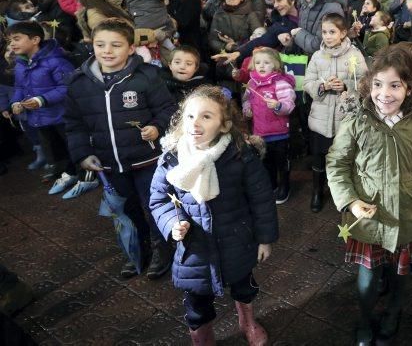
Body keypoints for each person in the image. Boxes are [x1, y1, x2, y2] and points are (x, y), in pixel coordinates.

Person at [326, 47, 412, 346]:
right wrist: (351, 201)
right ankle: (365, 320)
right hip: (369, 215)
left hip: (408, 212)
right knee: (367, 279)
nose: (385, 94)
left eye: (395, 85)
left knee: (400, 275)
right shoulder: (357, 119)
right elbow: (337, 162)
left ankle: (394, 313)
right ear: (369, 84)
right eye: (379, 84)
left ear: (408, 88)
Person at [149, 85, 278, 346]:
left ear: (224, 125)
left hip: (237, 241)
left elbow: (262, 199)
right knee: (197, 303)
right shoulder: (172, 159)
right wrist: (173, 223)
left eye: (206, 116)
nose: (195, 123)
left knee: (244, 286)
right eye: (190, 116)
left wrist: (265, 238)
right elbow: (159, 200)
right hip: (194, 249)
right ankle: (202, 339)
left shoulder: (241, 155)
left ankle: (247, 322)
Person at [64, 18, 177, 279]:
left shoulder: (147, 76)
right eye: (100, 44)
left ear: (130, 48)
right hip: (108, 162)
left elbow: (168, 109)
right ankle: (138, 249)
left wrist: (157, 127)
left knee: (154, 206)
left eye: (116, 45)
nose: (107, 50)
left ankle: (163, 249)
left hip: (147, 159)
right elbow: (74, 123)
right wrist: (82, 154)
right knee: (125, 210)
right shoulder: (79, 82)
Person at [6, 21, 86, 197]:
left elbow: (68, 87)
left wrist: (42, 100)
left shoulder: (56, 61)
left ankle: (85, 177)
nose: (11, 44)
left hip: (62, 115)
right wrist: (15, 102)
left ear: (35, 39)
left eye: (17, 39)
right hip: (40, 117)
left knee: (73, 147)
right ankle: (67, 173)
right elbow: (19, 87)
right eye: (10, 40)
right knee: (54, 147)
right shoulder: (21, 63)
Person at [304, 13, 367, 212]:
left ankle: (343, 192)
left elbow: (364, 81)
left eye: (332, 32)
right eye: (324, 32)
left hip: (344, 118)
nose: (328, 36)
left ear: (342, 33)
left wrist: (346, 85)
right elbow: (307, 83)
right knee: (319, 157)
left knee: (343, 156)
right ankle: (317, 191)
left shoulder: (354, 54)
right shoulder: (317, 56)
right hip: (320, 119)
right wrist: (322, 86)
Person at [241, 48, 295, 204]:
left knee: (281, 162)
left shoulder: (281, 83)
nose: (261, 66)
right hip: (260, 133)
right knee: (266, 162)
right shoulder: (251, 83)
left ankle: (285, 185)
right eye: (258, 63)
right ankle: (271, 185)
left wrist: (278, 105)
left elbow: (289, 105)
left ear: (275, 65)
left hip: (279, 133)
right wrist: (247, 110)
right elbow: (246, 100)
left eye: (266, 62)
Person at [280, 0, 347, 56]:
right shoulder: (306, 2)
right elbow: (306, 37)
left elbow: (322, 45)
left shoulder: (332, 8)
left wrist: (298, 33)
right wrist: (291, 42)